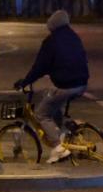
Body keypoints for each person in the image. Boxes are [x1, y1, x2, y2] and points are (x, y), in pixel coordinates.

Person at [13, 9, 89, 164]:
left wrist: (25, 81)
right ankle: (63, 132)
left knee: (41, 114)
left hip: (66, 85)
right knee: (50, 97)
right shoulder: (74, 37)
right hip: (81, 83)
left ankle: (58, 147)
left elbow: (40, 67)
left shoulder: (51, 41)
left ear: (52, 25)